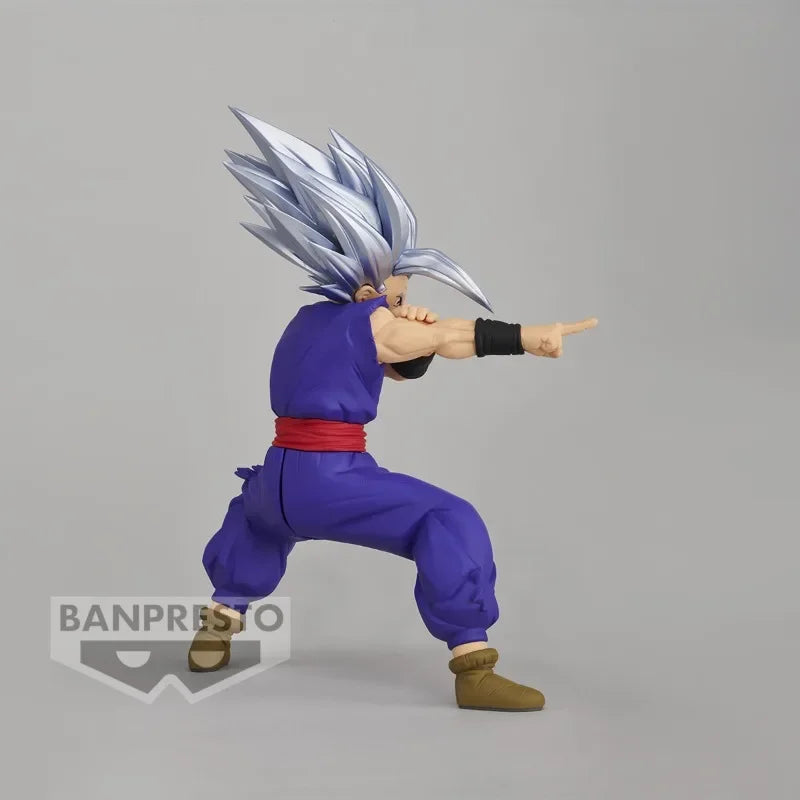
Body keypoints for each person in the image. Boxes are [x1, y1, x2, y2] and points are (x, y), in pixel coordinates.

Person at [188, 108, 597, 711]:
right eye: (399, 293)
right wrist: (529, 337)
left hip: (277, 479)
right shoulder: (372, 318)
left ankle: (217, 625)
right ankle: (474, 667)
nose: (403, 304)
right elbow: (450, 337)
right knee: (448, 519)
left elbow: (393, 363)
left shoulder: (307, 321)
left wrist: (412, 336)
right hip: (332, 479)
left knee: (254, 523)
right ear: (366, 291)